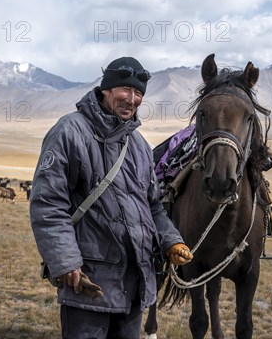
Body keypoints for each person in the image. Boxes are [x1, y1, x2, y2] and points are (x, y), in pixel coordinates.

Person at [30, 56, 193, 339]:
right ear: (106, 89)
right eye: (125, 90)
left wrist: (171, 240)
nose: (132, 99)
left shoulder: (139, 146)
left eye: (139, 93)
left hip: (134, 281)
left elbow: (152, 205)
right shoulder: (70, 132)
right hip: (88, 280)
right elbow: (48, 203)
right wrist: (66, 261)